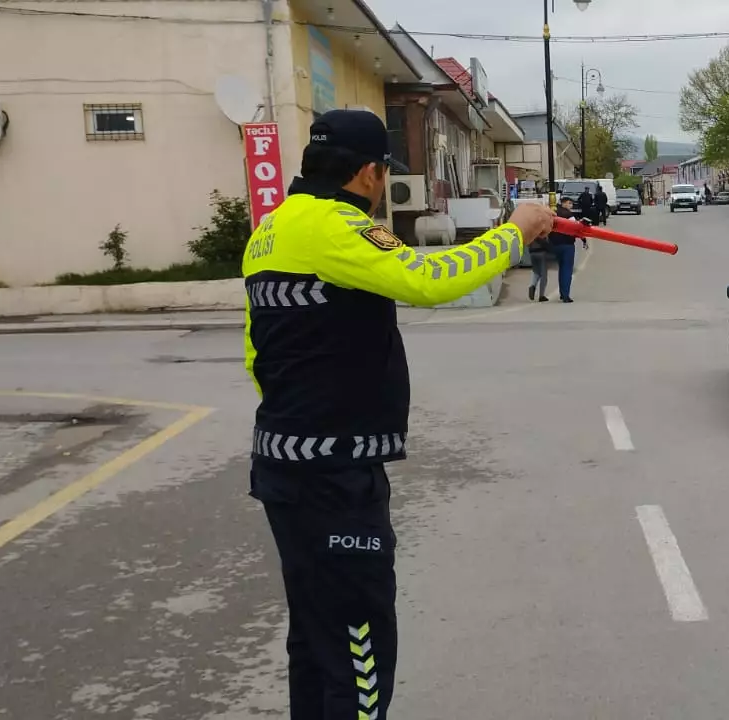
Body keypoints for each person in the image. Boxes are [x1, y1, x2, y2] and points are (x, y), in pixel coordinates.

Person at [240, 108, 557, 720]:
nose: (383, 183)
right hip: (333, 477)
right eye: (383, 172)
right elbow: (429, 278)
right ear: (367, 173)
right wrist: (514, 232)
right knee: (360, 650)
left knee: (314, 639)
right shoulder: (337, 227)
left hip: (285, 468)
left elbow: (257, 352)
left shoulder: (272, 230)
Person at [550, 196, 587, 303]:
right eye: (569, 203)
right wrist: (583, 239)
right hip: (567, 245)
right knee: (566, 270)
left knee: (561, 268)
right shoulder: (569, 216)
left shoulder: (553, 213)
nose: (571, 206)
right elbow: (576, 229)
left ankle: (563, 293)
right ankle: (565, 295)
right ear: (564, 203)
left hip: (555, 245)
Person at [528, 226, 551, 301]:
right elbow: (546, 242)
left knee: (536, 272)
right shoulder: (543, 230)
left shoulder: (531, 230)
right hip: (541, 253)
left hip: (532, 253)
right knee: (544, 275)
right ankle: (541, 296)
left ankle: (532, 285)